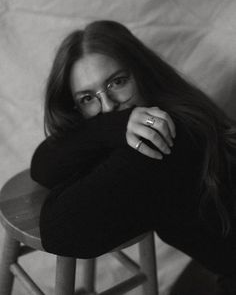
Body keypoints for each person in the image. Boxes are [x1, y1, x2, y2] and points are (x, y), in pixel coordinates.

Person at [31, 20, 236, 294]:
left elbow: (58, 231)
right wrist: (115, 124)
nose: (108, 106)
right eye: (87, 98)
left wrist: (109, 126)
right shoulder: (174, 108)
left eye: (118, 82)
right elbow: (42, 166)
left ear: (142, 73)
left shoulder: (163, 139)